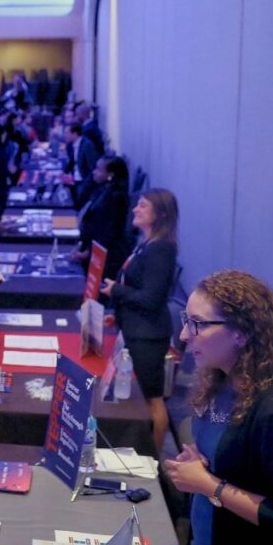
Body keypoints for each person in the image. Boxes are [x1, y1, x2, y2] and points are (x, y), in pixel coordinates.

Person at [165, 270, 273, 545]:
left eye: (198, 324)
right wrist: (201, 466)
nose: (185, 335)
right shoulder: (221, 380)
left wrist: (209, 484)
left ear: (241, 333)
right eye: (187, 321)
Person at [100, 188, 180, 456]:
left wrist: (116, 292)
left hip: (148, 336)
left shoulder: (161, 250)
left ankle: (154, 460)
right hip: (134, 328)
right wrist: (118, 311)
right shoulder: (146, 243)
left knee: (153, 399)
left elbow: (151, 298)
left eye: (143, 206)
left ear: (160, 214)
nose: (135, 209)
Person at [69, 154, 131, 279]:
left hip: (106, 259)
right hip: (92, 248)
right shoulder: (102, 189)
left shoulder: (117, 197)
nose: (94, 172)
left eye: (98, 169)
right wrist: (82, 245)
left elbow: (109, 232)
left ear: (110, 174)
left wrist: (87, 253)